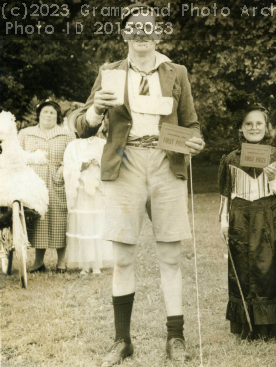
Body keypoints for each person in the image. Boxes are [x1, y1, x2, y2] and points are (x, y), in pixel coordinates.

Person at [73, 3, 205, 365]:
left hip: (166, 162)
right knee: (123, 256)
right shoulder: (109, 72)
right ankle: (122, 340)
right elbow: (81, 125)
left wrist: (194, 140)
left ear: (158, 34)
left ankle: (174, 339)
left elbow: (192, 124)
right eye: (135, 27)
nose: (142, 33)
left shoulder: (176, 72)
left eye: (149, 27)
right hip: (125, 163)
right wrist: (97, 110)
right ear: (124, 33)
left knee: (170, 255)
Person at [218, 93, 276, 340]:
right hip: (240, 216)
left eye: (259, 123)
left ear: (266, 127)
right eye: (248, 124)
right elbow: (225, 195)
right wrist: (223, 221)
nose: (254, 128)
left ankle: (269, 326)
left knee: (269, 268)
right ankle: (245, 325)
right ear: (241, 128)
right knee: (242, 267)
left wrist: (274, 180)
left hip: (268, 216)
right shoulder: (230, 159)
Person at [18, 100, 76, 273]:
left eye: (53, 112)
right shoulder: (26, 133)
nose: (49, 115)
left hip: (59, 183)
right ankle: (38, 261)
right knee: (39, 220)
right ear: (39, 115)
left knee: (60, 219)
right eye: (45, 112)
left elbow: (73, 157)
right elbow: (18, 156)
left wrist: (64, 167)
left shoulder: (67, 134)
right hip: (34, 183)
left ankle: (61, 262)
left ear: (57, 116)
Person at [64, 115, 113, 275]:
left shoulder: (103, 144)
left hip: (97, 191)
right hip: (81, 192)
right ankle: (85, 264)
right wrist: (80, 167)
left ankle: (97, 263)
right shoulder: (73, 146)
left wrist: (99, 164)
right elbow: (68, 168)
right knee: (84, 226)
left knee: (97, 224)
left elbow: (110, 163)